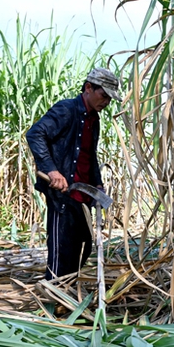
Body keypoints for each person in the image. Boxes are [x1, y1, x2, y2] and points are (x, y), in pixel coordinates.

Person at [26, 67, 122, 280]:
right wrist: (51, 170)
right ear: (88, 88)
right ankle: (54, 296)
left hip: (84, 196)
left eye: (109, 98)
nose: (106, 102)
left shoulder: (93, 120)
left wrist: (97, 184)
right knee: (62, 251)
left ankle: (68, 292)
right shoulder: (66, 110)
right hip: (63, 194)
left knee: (83, 247)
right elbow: (35, 134)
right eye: (103, 95)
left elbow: (89, 155)